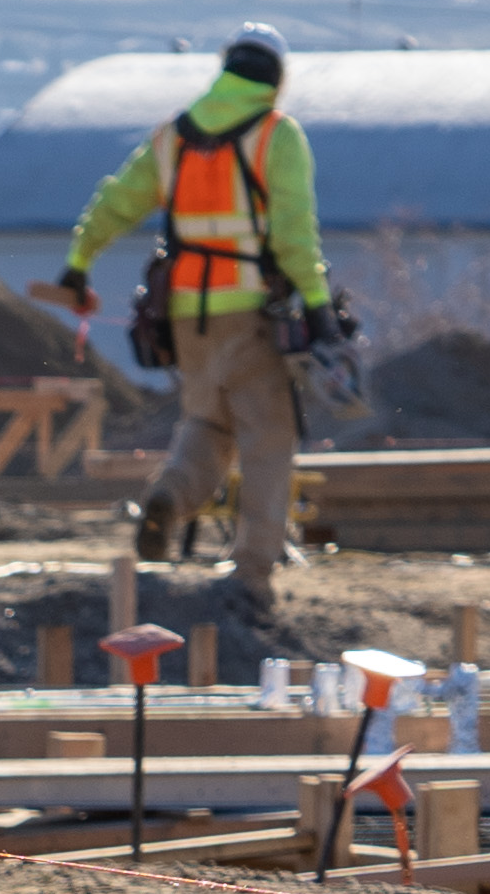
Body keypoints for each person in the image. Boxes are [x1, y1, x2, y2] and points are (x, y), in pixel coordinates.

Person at [56, 30, 346, 621]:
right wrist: (317, 305)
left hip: (185, 312)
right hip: (250, 310)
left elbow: (117, 200)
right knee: (269, 435)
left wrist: (79, 260)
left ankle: (169, 496)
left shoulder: (175, 136)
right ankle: (254, 576)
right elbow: (293, 232)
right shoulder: (276, 135)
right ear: (275, 79)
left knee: (209, 420)